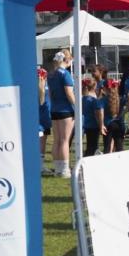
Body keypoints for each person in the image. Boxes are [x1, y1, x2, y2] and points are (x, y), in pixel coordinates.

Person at [47, 49, 76, 178]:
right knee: (64, 140)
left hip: (54, 109)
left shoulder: (52, 74)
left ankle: (58, 168)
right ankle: (64, 169)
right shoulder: (65, 74)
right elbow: (69, 93)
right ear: (67, 60)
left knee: (57, 140)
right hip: (65, 110)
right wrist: (77, 106)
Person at [81, 78, 105, 156]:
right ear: (94, 87)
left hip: (86, 124)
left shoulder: (83, 99)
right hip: (93, 125)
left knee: (89, 145)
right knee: (93, 146)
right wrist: (100, 125)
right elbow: (97, 114)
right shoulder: (93, 100)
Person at [37, 67, 52, 166]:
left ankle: (40, 164)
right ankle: (40, 165)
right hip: (43, 119)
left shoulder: (40, 86)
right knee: (42, 142)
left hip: (43, 118)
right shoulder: (43, 87)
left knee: (41, 142)